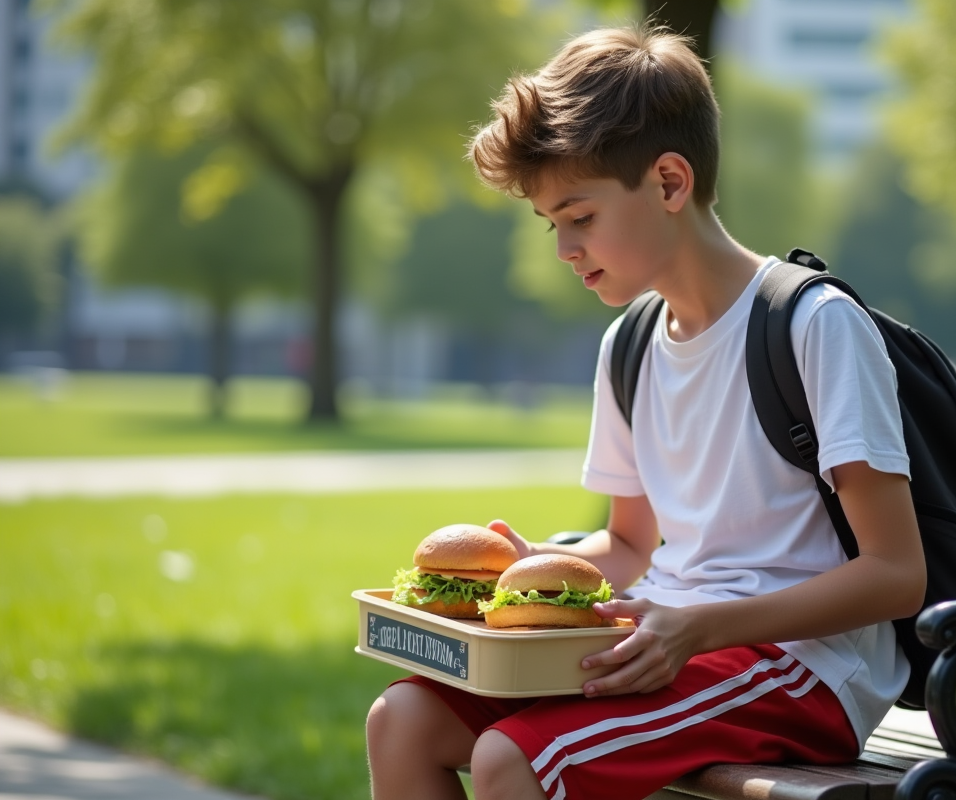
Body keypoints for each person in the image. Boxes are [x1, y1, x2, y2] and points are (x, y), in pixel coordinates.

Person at [365, 25, 926, 800]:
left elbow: (897, 576)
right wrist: (533, 572)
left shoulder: (813, 324)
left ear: (668, 183)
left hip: (802, 666)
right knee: (400, 719)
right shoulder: (629, 344)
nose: (563, 248)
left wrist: (699, 627)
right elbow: (630, 543)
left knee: (511, 758)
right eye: (552, 223)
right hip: (665, 634)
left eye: (580, 216)